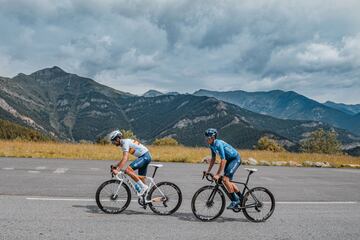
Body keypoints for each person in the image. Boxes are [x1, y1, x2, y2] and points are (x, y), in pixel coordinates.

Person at [204, 128, 242, 209]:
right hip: (229, 160)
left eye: (208, 137)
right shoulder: (211, 145)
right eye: (206, 137)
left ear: (213, 137)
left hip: (235, 159)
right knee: (227, 181)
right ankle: (241, 197)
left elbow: (223, 160)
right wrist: (208, 171)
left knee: (225, 180)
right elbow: (213, 159)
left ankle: (235, 200)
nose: (207, 139)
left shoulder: (218, 144)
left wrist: (217, 174)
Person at [109, 130, 152, 196]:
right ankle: (147, 199)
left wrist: (117, 170)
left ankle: (144, 187)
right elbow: (123, 159)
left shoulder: (125, 143)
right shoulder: (124, 144)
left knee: (128, 170)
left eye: (113, 141)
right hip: (144, 157)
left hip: (145, 156)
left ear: (117, 138)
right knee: (141, 180)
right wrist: (116, 166)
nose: (113, 143)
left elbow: (125, 158)